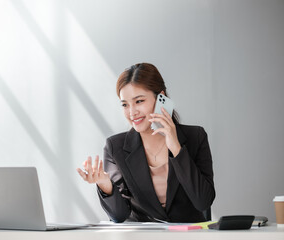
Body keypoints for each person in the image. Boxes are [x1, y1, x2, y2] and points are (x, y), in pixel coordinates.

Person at [76, 63, 215, 223]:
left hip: (187, 236)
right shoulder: (115, 147)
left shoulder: (195, 137)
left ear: (160, 97)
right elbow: (119, 215)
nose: (132, 112)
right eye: (125, 105)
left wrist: (176, 148)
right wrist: (104, 184)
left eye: (139, 101)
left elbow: (203, 201)